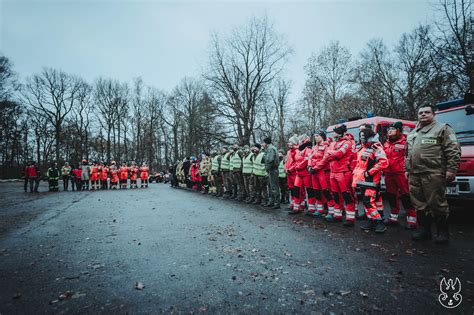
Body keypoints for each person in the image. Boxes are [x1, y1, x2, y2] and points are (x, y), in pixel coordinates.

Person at [406, 104, 461, 244]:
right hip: (414, 174)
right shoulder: (413, 132)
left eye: (426, 112)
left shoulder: (443, 129)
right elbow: (407, 153)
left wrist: (451, 169)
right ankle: (424, 231)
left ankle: (443, 233)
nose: (423, 115)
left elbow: (453, 150)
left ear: (433, 114)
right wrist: (407, 169)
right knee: (419, 204)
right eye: (420, 113)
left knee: (437, 203)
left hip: (433, 173)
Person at [317, 124, 356, 223]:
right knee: (335, 195)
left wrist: (331, 153)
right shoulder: (333, 143)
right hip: (333, 172)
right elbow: (328, 156)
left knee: (346, 195)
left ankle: (350, 218)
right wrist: (331, 153)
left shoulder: (347, 142)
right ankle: (337, 215)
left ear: (339, 132)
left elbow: (339, 154)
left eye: (334, 131)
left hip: (343, 172)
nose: (333, 133)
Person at [352, 128, 388, 232]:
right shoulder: (361, 148)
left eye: (363, 136)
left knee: (368, 201)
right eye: (360, 136)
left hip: (371, 180)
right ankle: (371, 221)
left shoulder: (375, 147)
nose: (361, 138)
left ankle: (379, 222)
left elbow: (383, 162)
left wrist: (369, 172)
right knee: (366, 201)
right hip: (362, 180)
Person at [383, 122, 417, 229]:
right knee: (391, 195)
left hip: (401, 173)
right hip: (388, 173)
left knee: (406, 195)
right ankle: (394, 217)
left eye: (392, 129)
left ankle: (412, 218)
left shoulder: (406, 141)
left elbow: (410, 156)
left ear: (398, 130)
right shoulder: (386, 143)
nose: (389, 131)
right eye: (389, 129)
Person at [310, 129, 335, 218]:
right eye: (315, 136)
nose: (316, 138)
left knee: (326, 191)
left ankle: (331, 211)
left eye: (317, 136)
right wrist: (310, 166)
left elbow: (325, 159)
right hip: (314, 172)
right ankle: (320, 209)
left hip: (323, 172)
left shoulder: (326, 146)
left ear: (322, 136)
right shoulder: (314, 147)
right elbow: (310, 157)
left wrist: (316, 168)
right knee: (316, 191)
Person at [292, 134, 313, 214]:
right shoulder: (299, 149)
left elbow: (306, 160)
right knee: (296, 189)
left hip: (306, 173)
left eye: (300, 140)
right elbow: (296, 160)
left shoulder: (308, 148)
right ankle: (296, 207)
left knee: (309, 190)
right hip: (299, 173)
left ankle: (311, 208)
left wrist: (298, 166)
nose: (298, 142)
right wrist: (297, 166)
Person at [262, 137, 280, 209]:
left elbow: (270, 160)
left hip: (273, 170)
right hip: (271, 170)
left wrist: (267, 169)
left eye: (263, 143)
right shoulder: (268, 149)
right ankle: (271, 201)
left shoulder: (270, 149)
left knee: (274, 186)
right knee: (270, 186)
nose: (262, 144)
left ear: (266, 143)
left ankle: (276, 202)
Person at [284, 135, 299, 211]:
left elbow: (296, 163)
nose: (288, 143)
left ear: (293, 143)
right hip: (289, 173)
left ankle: (297, 205)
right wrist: (285, 168)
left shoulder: (297, 151)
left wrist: (290, 169)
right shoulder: (288, 152)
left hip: (294, 173)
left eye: (289, 142)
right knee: (291, 189)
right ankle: (292, 203)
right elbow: (286, 161)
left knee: (296, 190)